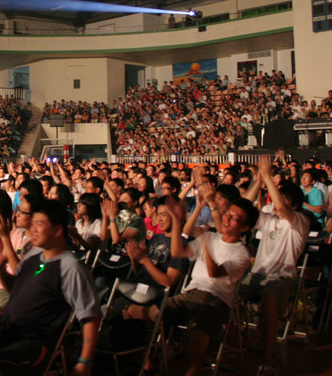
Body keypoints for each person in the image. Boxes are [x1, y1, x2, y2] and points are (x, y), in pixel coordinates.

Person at [0, 199, 101, 376]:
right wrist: (0, 271)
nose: (32, 229)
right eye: (32, 224)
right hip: (6, 331)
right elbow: (16, 288)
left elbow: (91, 317)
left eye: (39, 224)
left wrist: (84, 361)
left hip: (34, 342)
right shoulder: (35, 257)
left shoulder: (70, 267)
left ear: (57, 230)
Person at [126, 197, 258, 376]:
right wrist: (176, 217)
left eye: (234, 218)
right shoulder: (210, 237)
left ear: (244, 228)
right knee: (132, 312)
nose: (226, 219)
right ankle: (148, 359)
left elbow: (214, 273)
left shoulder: (242, 254)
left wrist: (205, 247)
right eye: (227, 214)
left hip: (214, 302)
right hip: (188, 295)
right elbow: (178, 252)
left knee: (194, 347)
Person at [239, 157, 310, 374]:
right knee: (225, 287)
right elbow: (244, 208)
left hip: (282, 277)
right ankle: (232, 341)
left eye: (284, 199)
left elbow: (280, 206)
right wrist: (259, 180)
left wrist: (269, 176)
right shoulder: (269, 218)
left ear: (295, 205)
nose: (277, 202)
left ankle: (268, 358)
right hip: (257, 274)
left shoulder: (299, 221)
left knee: (269, 297)